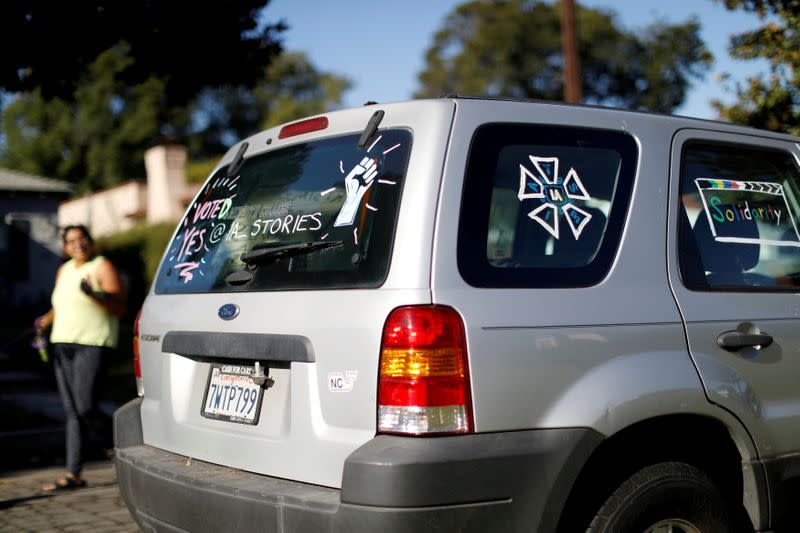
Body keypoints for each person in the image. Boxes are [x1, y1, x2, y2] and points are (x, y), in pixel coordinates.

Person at [35, 225, 126, 491]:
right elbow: (61, 303)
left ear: (90, 241)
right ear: (65, 247)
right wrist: (46, 320)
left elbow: (120, 307)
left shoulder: (101, 266)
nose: (78, 244)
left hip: (93, 343)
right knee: (73, 411)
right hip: (62, 343)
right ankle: (73, 473)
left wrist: (93, 294)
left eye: (82, 238)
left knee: (85, 406)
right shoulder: (64, 270)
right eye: (71, 241)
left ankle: (123, 441)